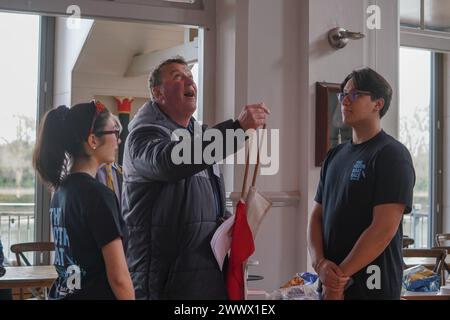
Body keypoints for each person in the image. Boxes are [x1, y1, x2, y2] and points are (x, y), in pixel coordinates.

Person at [122, 57, 269, 299]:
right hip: (164, 281)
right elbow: (170, 162)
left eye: (189, 74)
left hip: (204, 276)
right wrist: (236, 130)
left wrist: (225, 224)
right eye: (177, 76)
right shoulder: (143, 135)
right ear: (158, 93)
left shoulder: (200, 135)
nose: (189, 79)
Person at [307, 68, 415, 300]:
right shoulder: (335, 155)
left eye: (354, 94)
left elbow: (383, 229)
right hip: (329, 284)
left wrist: (338, 279)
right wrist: (320, 265)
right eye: (343, 94)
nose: (345, 100)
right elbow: (316, 217)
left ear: (378, 103)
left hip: (372, 287)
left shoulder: (391, 154)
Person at [33, 101, 134, 300]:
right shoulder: (97, 195)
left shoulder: (61, 191)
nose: (119, 140)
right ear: (93, 140)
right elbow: (119, 278)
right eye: (114, 132)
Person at [96, 114, 123, 207]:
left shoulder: (124, 173)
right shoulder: (87, 175)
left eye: (118, 134)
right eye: (115, 134)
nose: (119, 141)